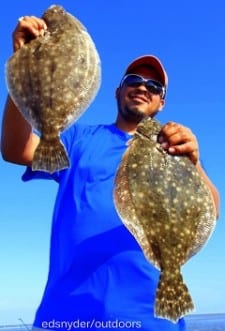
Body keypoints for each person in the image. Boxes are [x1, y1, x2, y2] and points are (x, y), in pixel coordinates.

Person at [1, 16, 219, 331]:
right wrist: (23, 69)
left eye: (153, 85)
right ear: (117, 91)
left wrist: (194, 162)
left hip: (151, 319)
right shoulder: (78, 140)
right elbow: (14, 149)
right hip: (65, 316)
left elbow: (210, 211)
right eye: (134, 80)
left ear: (161, 101)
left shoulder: (174, 146)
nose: (143, 87)